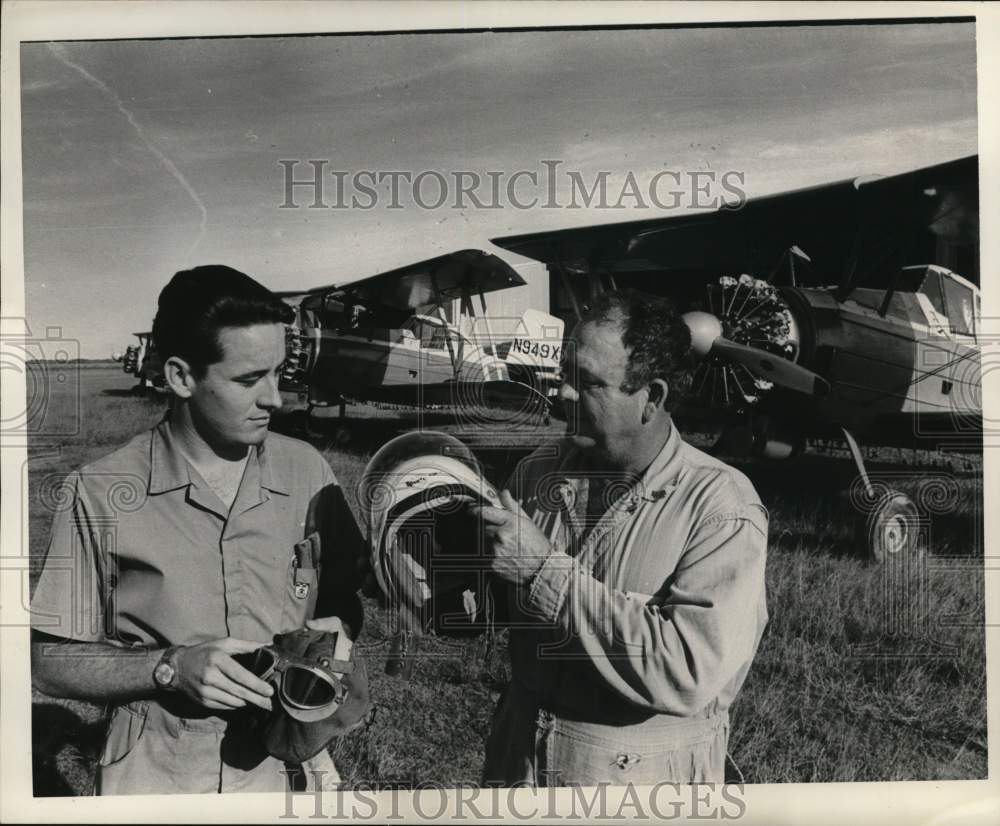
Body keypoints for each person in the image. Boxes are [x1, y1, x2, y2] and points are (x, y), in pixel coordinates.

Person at [30, 265, 364, 794]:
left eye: (280, 372)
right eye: (249, 380)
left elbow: (346, 597)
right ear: (182, 377)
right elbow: (48, 661)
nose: (275, 399)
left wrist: (331, 643)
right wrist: (170, 667)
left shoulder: (308, 472)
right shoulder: (99, 491)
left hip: (282, 765)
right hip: (155, 773)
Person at [475, 289, 768, 786]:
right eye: (565, 376)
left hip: (638, 787)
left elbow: (687, 670)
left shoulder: (722, 508)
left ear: (652, 398)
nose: (562, 394)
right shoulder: (538, 470)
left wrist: (543, 572)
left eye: (586, 382)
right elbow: (501, 598)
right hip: (517, 768)